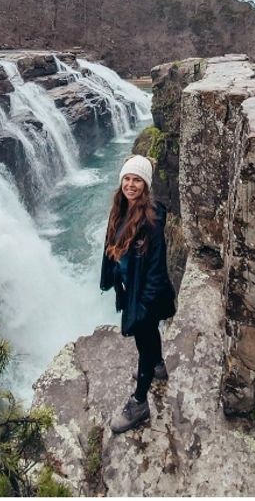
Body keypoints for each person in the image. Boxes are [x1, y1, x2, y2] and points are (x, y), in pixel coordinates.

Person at [99, 154, 176, 434]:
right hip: (131, 288)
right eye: (127, 179)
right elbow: (112, 249)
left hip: (146, 295)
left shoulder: (151, 221)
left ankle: (140, 402)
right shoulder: (119, 208)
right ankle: (157, 365)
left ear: (145, 185)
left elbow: (156, 269)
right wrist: (116, 286)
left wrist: (143, 306)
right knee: (150, 336)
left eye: (137, 180)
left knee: (143, 340)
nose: (131, 185)